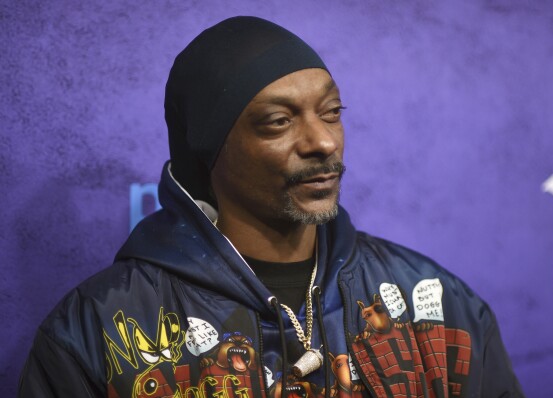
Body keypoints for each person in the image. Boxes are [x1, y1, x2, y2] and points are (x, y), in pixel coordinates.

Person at [19, 16, 523, 398]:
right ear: (210, 150)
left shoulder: (437, 303)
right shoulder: (97, 330)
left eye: (332, 113)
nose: (323, 141)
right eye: (278, 122)